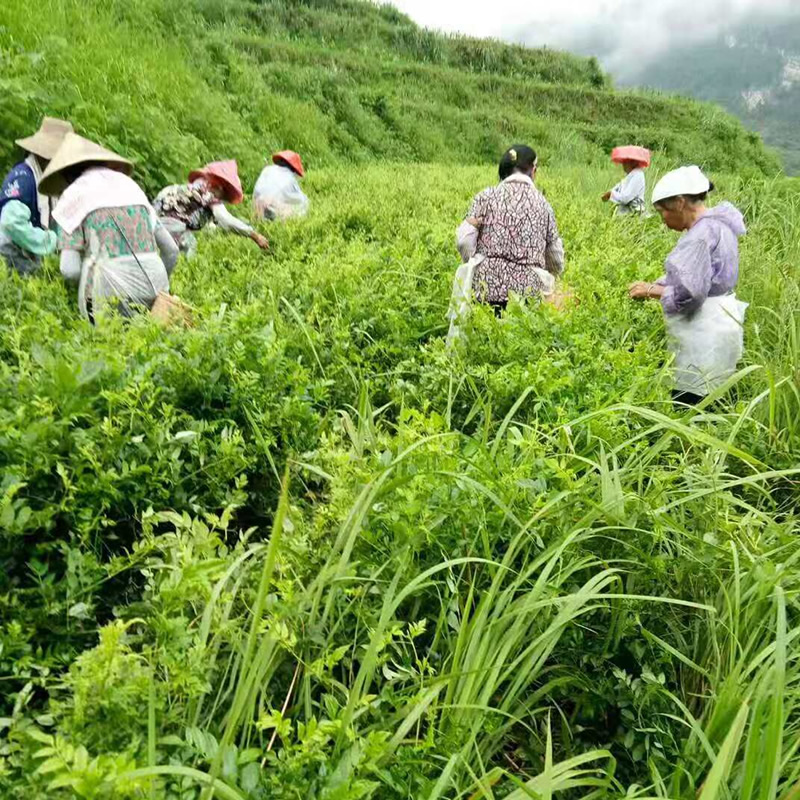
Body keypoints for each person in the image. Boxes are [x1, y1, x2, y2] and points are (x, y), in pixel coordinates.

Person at [628, 166, 748, 406]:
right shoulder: (719, 225)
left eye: (662, 211)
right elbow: (698, 275)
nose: (663, 220)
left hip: (703, 328)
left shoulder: (699, 236)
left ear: (680, 203)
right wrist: (658, 283)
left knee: (691, 398)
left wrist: (650, 290)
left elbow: (690, 292)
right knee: (716, 391)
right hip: (723, 318)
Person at [38, 132, 179, 323]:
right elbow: (171, 250)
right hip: (155, 282)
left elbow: (69, 269)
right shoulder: (131, 186)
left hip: (107, 289)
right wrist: (158, 286)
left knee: (107, 347)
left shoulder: (73, 195)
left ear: (66, 174)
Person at [456, 144, 564, 314]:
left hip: (485, 291)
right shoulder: (543, 205)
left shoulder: (485, 197)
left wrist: (477, 263)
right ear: (533, 170)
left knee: (483, 337)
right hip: (527, 296)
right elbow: (555, 257)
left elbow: (464, 241)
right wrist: (550, 273)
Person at [0, 117, 74, 275]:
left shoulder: (52, 180)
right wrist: (51, 242)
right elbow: (11, 223)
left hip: (29, 260)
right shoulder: (24, 178)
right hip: (10, 258)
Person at [154, 160, 269, 257]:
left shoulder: (190, 190)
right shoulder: (207, 194)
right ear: (219, 187)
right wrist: (254, 235)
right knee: (188, 249)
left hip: (152, 222)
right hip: (170, 225)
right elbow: (226, 220)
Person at [253, 150, 309, 221]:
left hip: (259, 205)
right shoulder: (289, 177)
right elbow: (299, 199)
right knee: (303, 204)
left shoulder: (267, 170)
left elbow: (258, 190)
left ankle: (260, 220)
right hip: (274, 208)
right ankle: (282, 225)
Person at [602, 145, 650, 215]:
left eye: (625, 162)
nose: (623, 165)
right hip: (626, 214)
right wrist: (609, 193)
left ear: (633, 162)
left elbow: (626, 197)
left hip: (634, 214)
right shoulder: (630, 176)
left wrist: (611, 194)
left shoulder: (638, 175)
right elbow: (617, 188)